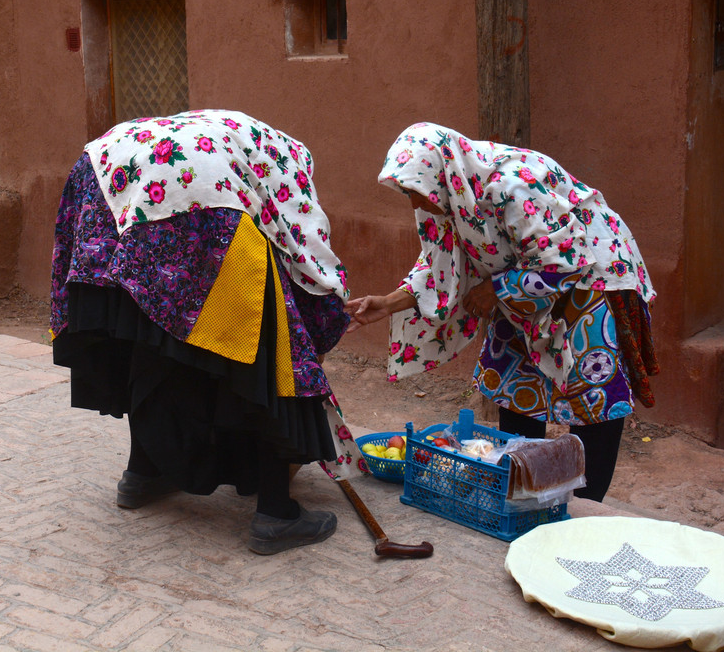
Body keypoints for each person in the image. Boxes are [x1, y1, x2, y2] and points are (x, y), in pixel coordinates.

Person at [50, 109, 352, 554]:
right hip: (184, 191)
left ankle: (144, 472)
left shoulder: (238, 138)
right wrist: (321, 323)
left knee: (148, 331)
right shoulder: (286, 169)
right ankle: (275, 513)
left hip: (101, 183)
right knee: (266, 354)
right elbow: (309, 259)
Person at [345, 123, 659, 502]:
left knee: (590, 389)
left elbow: (566, 260)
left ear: (442, 173)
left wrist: (497, 289)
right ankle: (522, 489)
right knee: (515, 382)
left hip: (591, 276)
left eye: (415, 192)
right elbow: (441, 263)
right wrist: (388, 302)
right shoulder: (450, 195)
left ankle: (586, 509)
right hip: (526, 278)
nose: (415, 203)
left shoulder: (510, 185)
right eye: (408, 193)